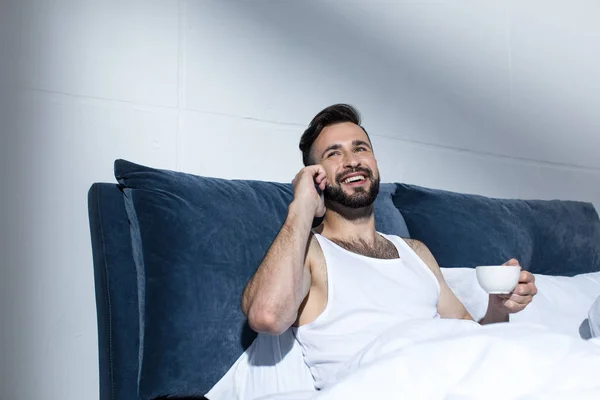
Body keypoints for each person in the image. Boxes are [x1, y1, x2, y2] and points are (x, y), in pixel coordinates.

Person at [241, 104, 538, 389]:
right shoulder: (311, 252)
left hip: (462, 379)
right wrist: (301, 207)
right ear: (316, 177)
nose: (352, 161)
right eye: (334, 154)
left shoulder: (415, 252)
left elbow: (473, 337)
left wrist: (498, 307)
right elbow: (267, 315)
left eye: (360, 148)